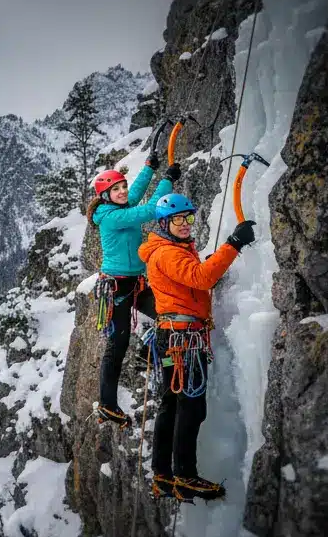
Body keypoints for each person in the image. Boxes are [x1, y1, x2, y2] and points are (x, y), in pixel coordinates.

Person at [138, 193, 256, 501]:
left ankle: (163, 475)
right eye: (178, 220)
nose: (186, 225)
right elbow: (201, 278)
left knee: (173, 405)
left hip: (173, 338)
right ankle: (185, 476)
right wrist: (233, 244)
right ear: (164, 223)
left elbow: (193, 282)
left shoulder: (168, 250)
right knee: (190, 406)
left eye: (189, 218)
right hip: (183, 340)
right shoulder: (168, 253)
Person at [87, 152, 180, 425]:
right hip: (117, 288)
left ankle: (161, 364)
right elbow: (150, 209)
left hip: (134, 284)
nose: (122, 191)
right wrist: (167, 181)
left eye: (122, 186)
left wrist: (150, 169)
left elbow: (135, 195)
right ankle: (107, 404)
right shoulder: (110, 217)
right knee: (117, 344)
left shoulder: (118, 208)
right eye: (115, 189)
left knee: (168, 313)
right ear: (105, 195)